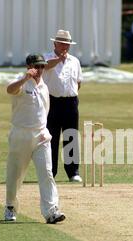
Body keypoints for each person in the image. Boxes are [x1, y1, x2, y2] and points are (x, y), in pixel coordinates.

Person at [5, 54, 65, 224]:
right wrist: (25, 78)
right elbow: (9, 90)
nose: (39, 70)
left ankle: (51, 211)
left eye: (41, 67)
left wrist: (42, 130)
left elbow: (44, 112)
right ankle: (10, 207)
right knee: (15, 174)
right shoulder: (21, 82)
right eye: (36, 67)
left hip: (40, 136)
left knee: (47, 173)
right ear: (28, 66)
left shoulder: (44, 87)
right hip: (20, 135)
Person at [42, 30, 83, 182]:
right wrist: (59, 59)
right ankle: (50, 171)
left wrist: (70, 95)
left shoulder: (75, 61)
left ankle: (73, 172)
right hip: (52, 102)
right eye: (61, 43)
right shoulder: (47, 57)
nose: (65, 46)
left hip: (70, 102)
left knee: (71, 135)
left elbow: (78, 82)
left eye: (67, 44)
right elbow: (46, 67)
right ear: (55, 44)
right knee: (51, 137)